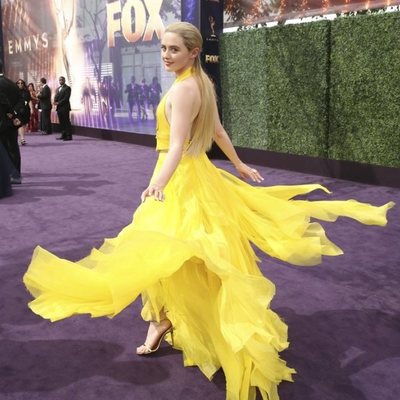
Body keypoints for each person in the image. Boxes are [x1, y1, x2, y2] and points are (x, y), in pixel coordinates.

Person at [23, 22, 394, 400]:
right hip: (197, 178)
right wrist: (238, 164)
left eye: (173, 50)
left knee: (167, 253)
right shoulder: (202, 84)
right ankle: (164, 320)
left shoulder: (185, 90)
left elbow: (178, 147)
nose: (165, 55)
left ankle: (174, 322)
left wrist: (159, 185)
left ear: (194, 52)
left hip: (183, 182)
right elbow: (218, 132)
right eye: (164, 48)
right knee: (180, 255)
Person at [0, 62, 24, 182]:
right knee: (13, 148)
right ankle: (16, 175)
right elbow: (20, 101)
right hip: (11, 122)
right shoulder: (12, 84)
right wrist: (14, 115)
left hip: (2, 123)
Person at [54, 76, 72, 141]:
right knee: (61, 122)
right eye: (59, 80)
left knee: (66, 122)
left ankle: (69, 136)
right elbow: (56, 96)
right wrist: (55, 101)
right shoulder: (58, 88)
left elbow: (66, 98)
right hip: (59, 108)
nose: (60, 81)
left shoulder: (67, 88)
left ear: (64, 80)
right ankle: (63, 135)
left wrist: (58, 103)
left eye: (61, 80)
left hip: (65, 107)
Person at [15, 79, 31, 145]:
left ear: (23, 84)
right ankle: (22, 139)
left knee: (24, 124)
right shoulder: (14, 92)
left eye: (21, 83)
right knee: (20, 124)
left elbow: (28, 100)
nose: (20, 84)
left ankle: (22, 138)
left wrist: (31, 108)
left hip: (25, 110)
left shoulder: (26, 92)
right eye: (18, 83)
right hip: (17, 110)